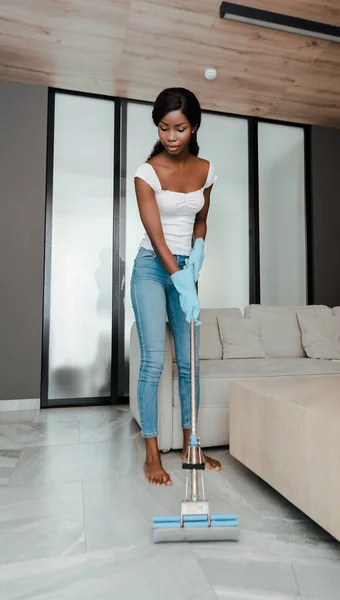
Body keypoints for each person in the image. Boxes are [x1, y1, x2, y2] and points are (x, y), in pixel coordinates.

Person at [131, 87, 222, 486]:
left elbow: (200, 219)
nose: (171, 136)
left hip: (187, 267)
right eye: (164, 128)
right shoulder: (146, 173)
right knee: (153, 361)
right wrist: (181, 279)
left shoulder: (206, 170)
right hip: (153, 267)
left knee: (189, 364)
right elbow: (156, 236)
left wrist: (199, 250)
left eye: (180, 128)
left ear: (194, 127)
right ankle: (152, 454)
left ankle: (192, 446)